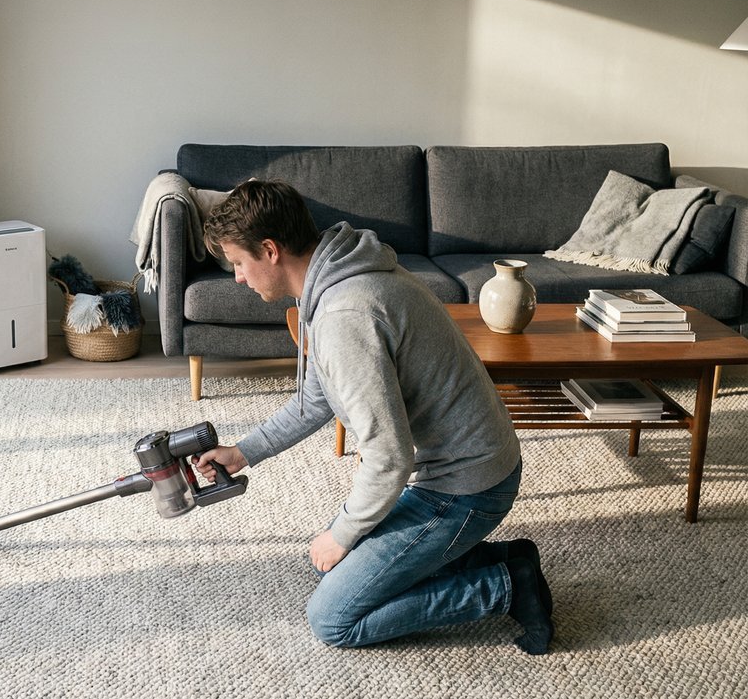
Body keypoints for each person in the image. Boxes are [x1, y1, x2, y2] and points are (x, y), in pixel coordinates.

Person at [196, 179, 554, 655]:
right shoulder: (331, 279)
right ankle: (510, 559)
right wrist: (244, 452)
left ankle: (507, 587)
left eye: (239, 263)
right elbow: (315, 399)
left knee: (333, 618)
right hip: (465, 467)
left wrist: (343, 533)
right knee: (338, 562)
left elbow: (388, 458)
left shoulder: (347, 314)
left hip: (467, 487)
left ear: (270, 250)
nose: (238, 277)